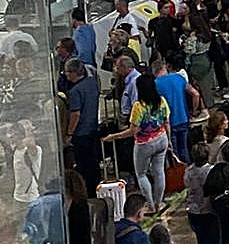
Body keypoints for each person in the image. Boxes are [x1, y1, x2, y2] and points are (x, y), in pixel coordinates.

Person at [102, 74, 170, 213]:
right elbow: (166, 123)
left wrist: (113, 136)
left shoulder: (138, 107)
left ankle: (150, 206)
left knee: (141, 174)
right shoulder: (162, 101)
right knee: (159, 172)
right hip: (162, 138)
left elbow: (132, 131)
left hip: (144, 144)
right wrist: (169, 140)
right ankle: (159, 202)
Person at [64, 57, 102, 193]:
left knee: (84, 165)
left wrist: (69, 134)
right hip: (93, 128)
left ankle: (88, 191)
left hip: (81, 133)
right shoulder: (92, 83)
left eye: (67, 72)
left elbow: (75, 114)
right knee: (93, 162)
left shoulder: (75, 92)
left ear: (74, 73)